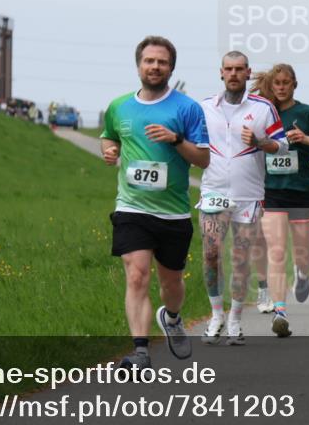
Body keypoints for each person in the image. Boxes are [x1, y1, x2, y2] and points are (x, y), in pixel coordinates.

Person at [100, 36, 210, 370]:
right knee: (136, 275)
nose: (155, 67)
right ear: (139, 65)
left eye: (161, 62)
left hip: (173, 212)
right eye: (149, 61)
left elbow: (203, 159)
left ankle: (173, 317)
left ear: (171, 68)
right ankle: (141, 351)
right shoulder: (120, 106)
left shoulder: (187, 108)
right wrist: (109, 150)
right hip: (132, 207)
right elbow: (109, 135)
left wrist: (176, 139)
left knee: (171, 283)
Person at [198, 51, 287, 345]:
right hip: (213, 192)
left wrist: (260, 142)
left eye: (239, 69)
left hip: (249, 195)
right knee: (211, 253)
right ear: (221, 73)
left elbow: (283, 146)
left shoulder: (264, 108)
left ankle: (235, 319)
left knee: (240, 258)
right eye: (228, 69)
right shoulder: (204, 107)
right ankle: (216, 315)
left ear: (248, 73)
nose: (234, 74)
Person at [251, 64, 309, 337]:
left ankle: (302, 274)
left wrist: (306, 138)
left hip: (301, 190)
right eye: (276, 82)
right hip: (273, 190)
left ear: (294, 84)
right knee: (277, 250)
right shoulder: (264, 111)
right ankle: (280, 311)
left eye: (286, 82)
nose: (280, 87)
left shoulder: (307, 113)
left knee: (301, 254)